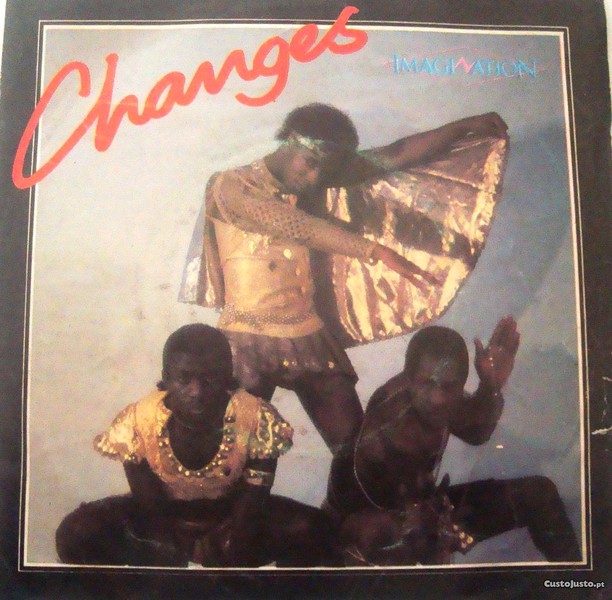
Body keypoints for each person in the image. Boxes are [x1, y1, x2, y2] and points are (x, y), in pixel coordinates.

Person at [191, 103, 509, 504]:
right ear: (289, 140)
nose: (314, 178)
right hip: (244, 341)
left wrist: (468, 124)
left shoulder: (314, 179)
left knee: (357, 455)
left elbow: (394, 155)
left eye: (324, 172)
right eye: (309, 164)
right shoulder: (231, 186)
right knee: (238, 463)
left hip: (305, 336)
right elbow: (295, 225)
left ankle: (344, 523)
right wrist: (375, 251)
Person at [56, 324, 339, 567]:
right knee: (76, 532)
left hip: (233, 518)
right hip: (160, 522)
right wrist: (168, 544)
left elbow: (254, 498)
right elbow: (148, 505)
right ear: (166, 377)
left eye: (209, 378)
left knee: (318, 531)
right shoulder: (139, 421)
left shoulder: (255, 417)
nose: (197, 391)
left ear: (228, 375)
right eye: (184, 378)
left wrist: (233, 537)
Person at [332, 317, 581, 565]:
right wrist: (446, 536)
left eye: (449, 387)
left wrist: (490, 386)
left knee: (539, 495)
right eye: (428, 384)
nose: (438, 398)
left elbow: (476, 433)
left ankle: (581, 582)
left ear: (460, 384)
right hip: (368, 535)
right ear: (408, 378)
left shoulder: (434, 397)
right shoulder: (394, 429)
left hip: (420, 513)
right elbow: (421, 540)